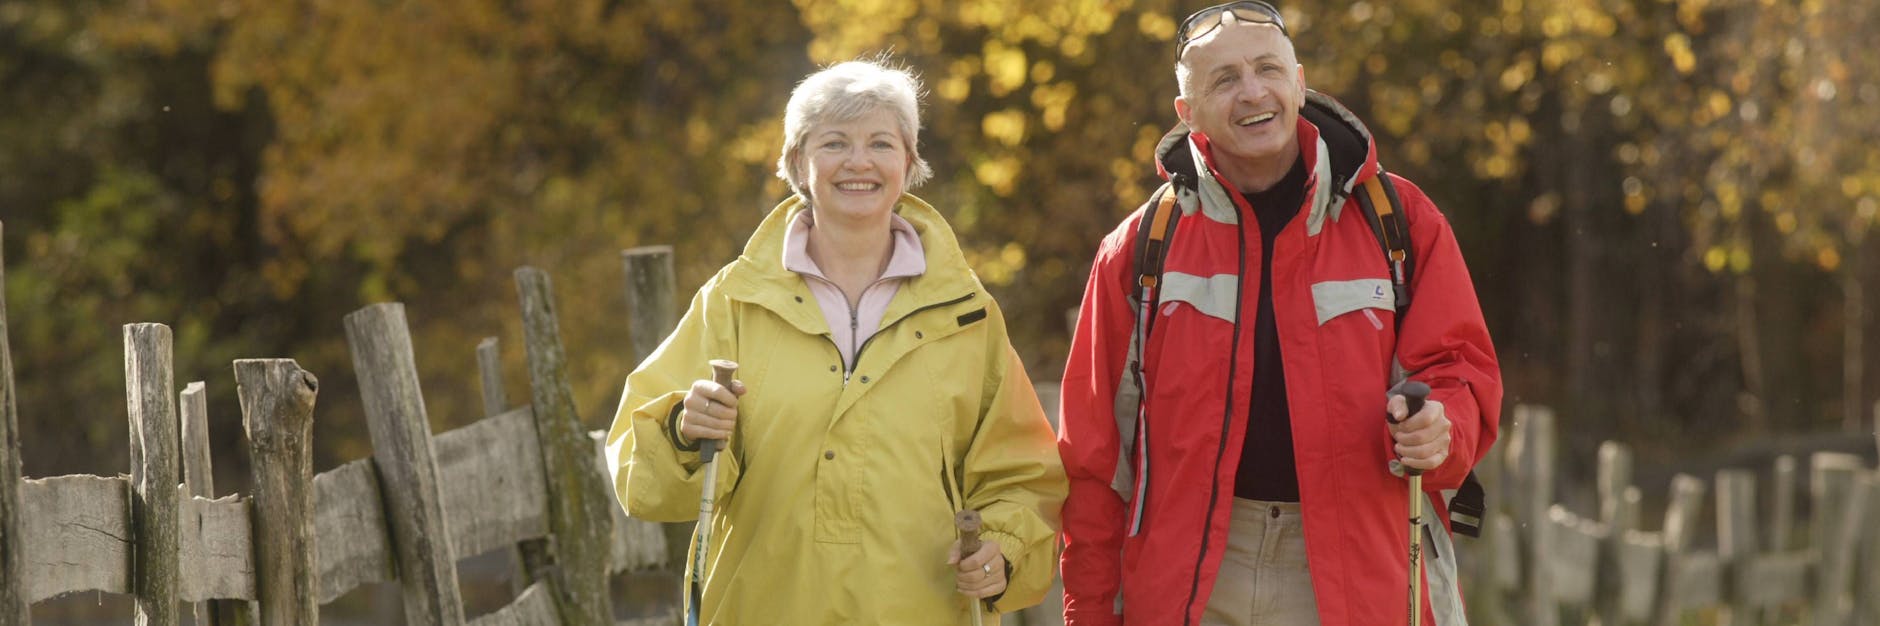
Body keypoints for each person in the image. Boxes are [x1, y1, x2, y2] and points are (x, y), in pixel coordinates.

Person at [1057, 3, 1503, 626]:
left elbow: (1463, 373)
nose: (1252, 92)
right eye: (1224, 79)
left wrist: (1443, 428)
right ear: (1188, 115)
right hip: (1189, 579)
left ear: (1299, 80)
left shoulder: (1401, 221)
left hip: (1360, 570)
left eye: (1268, 69)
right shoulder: (1137, 248)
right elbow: (1094, 462)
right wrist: (1089, 613)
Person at [605, 58, 1067, 625]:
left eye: (881, 143)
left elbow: (1022, 475)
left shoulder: (968, 315)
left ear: (909, 163)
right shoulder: (734, 300)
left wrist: (1003, 549)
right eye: (834, 143)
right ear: (798, 162)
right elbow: (641, 473)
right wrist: (683, 428)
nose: (858, 162)